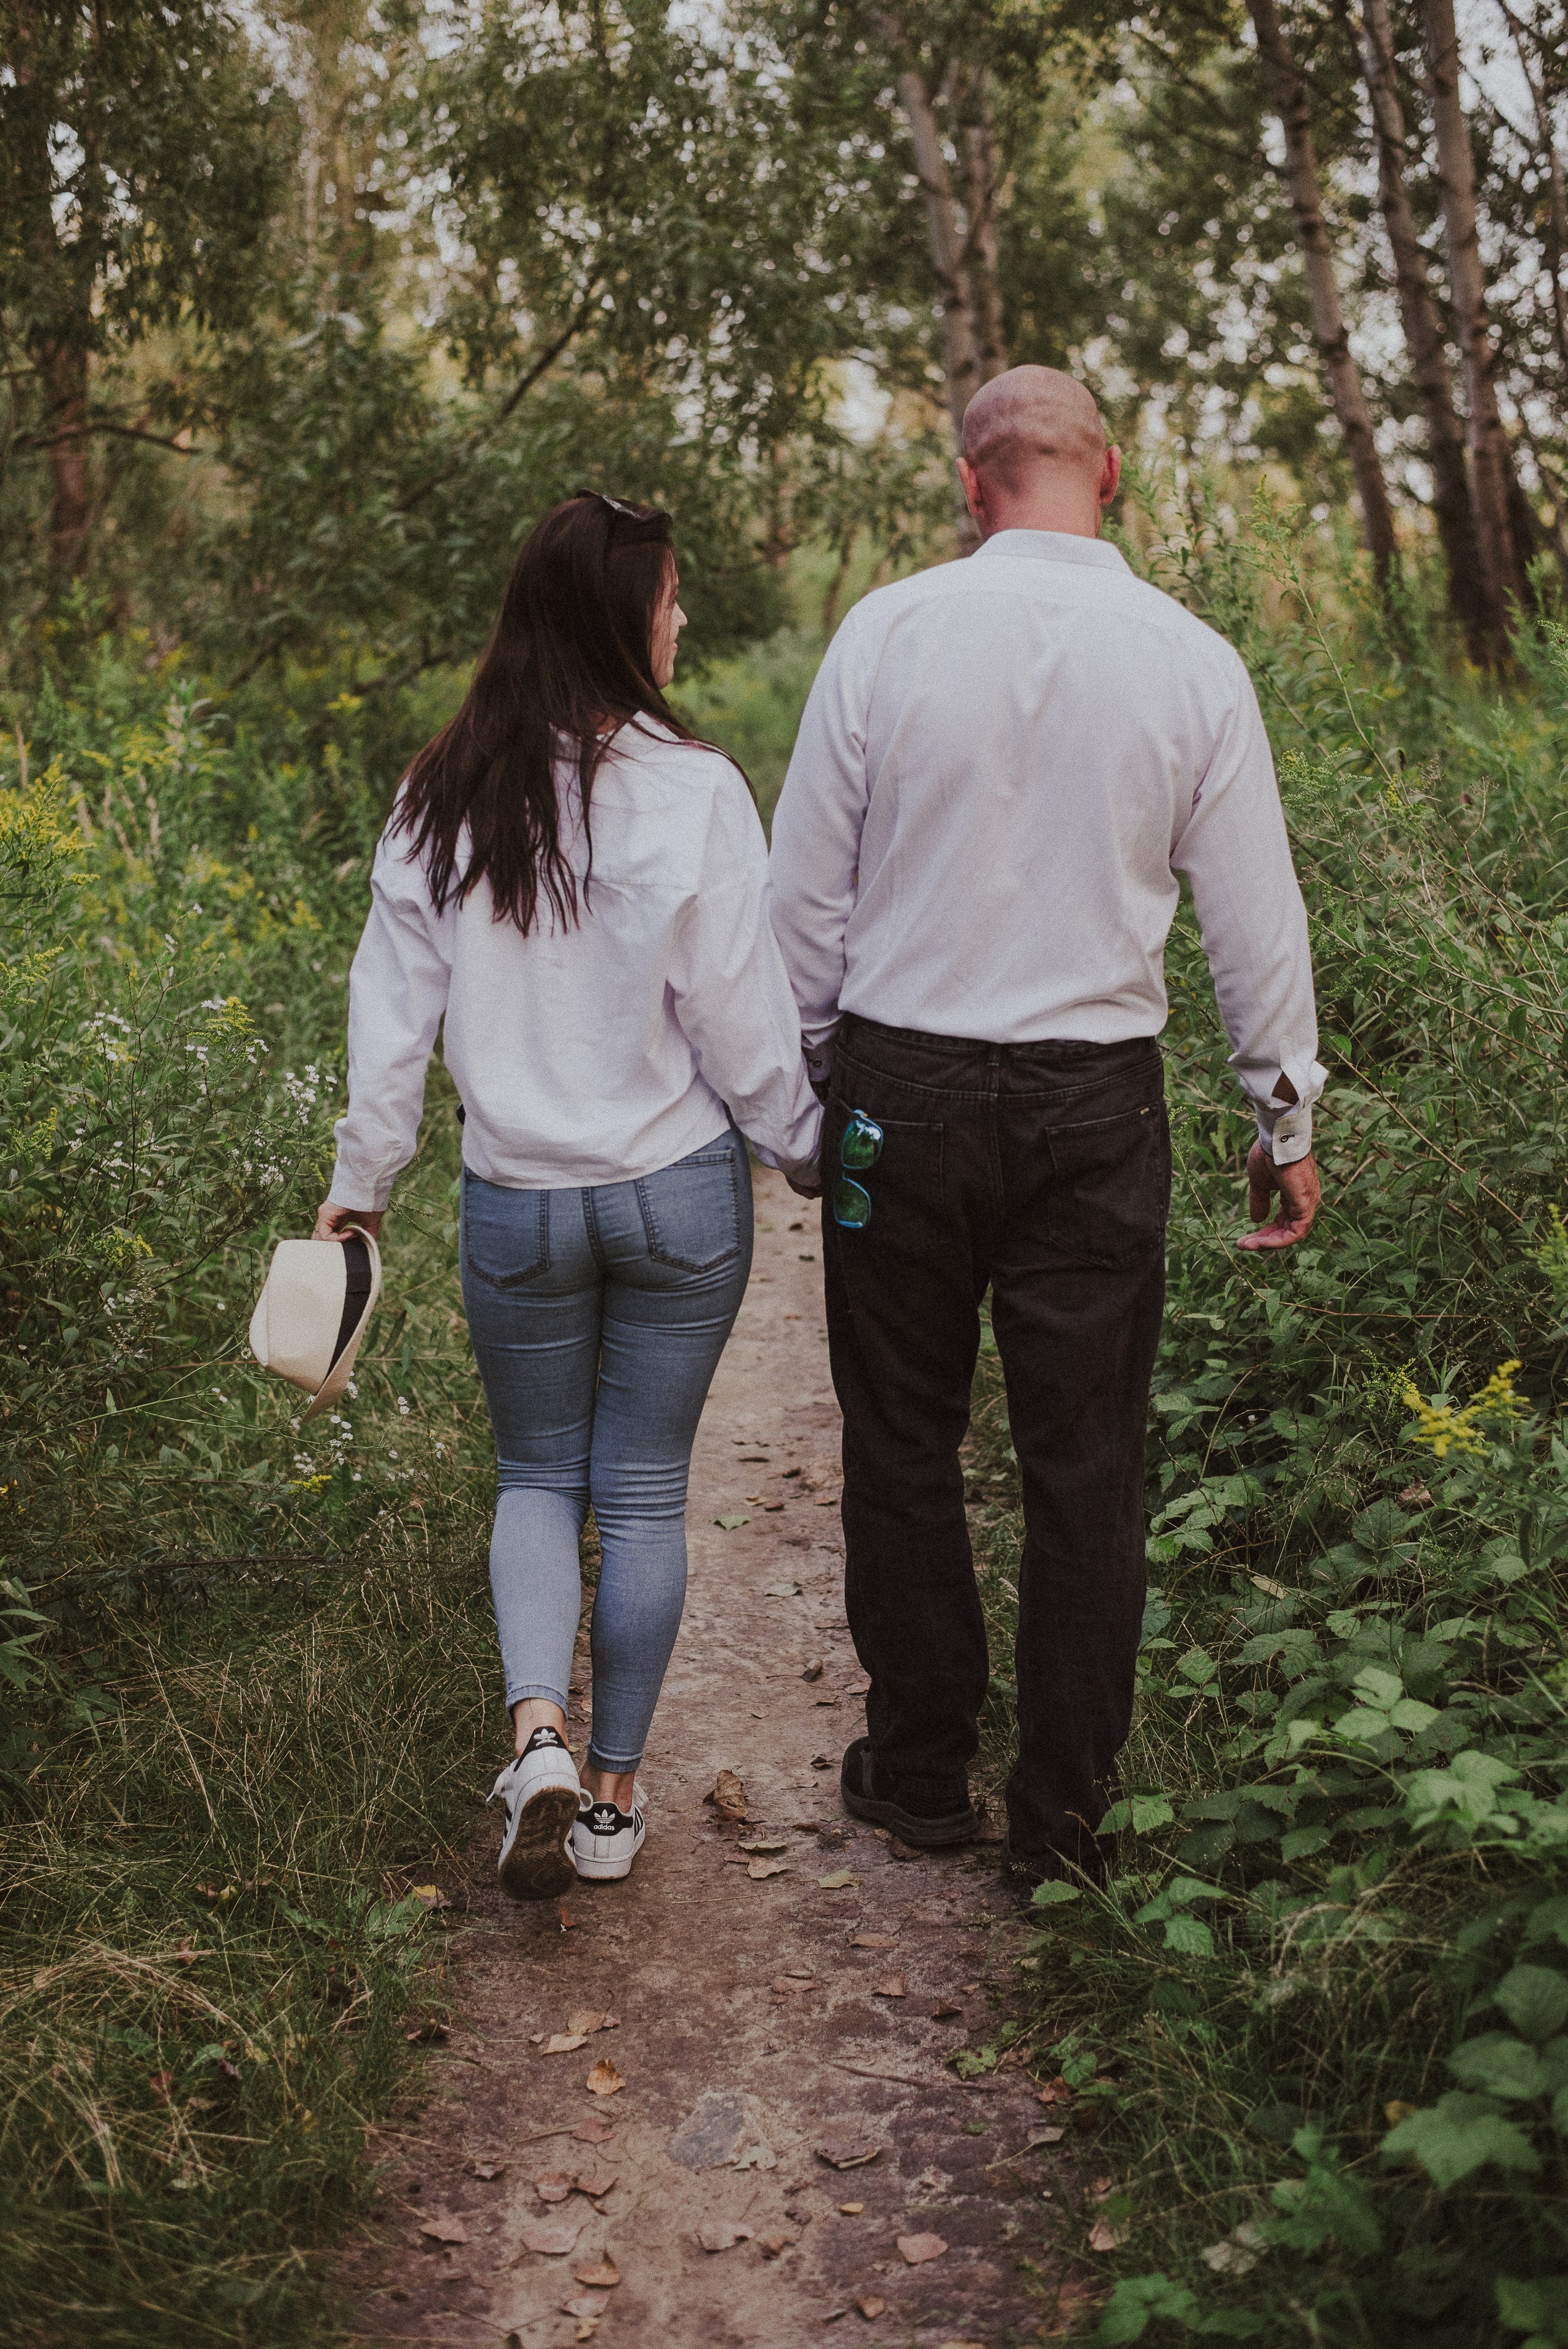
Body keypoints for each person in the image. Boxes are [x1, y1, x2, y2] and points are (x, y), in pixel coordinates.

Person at [767, 366, 1325, 1889]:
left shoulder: (886, 632)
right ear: (1115, 472)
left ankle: (923, 1766)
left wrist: (816, 1083)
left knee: (900, 1432)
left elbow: (805, 897)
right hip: (1094, 1100)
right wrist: (1281, 1109)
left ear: (970, 481)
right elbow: (1251, 918)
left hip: (908, 1084)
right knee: (1086, 1460)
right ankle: (1064, 1820)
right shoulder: (1191, 660)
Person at [315, 491, 823, 1899]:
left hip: (517, 1202)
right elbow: (737, 1017)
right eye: (667, 600)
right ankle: (608, 1797)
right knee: (643, 1489)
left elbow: (390, 1014)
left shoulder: (442, 789)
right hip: (674, 1194)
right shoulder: (696, 788)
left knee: (536, 1475)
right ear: (619, 618)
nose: (680, 622)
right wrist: (804, 1145)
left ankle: (531, 1730)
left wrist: (359, 1188)